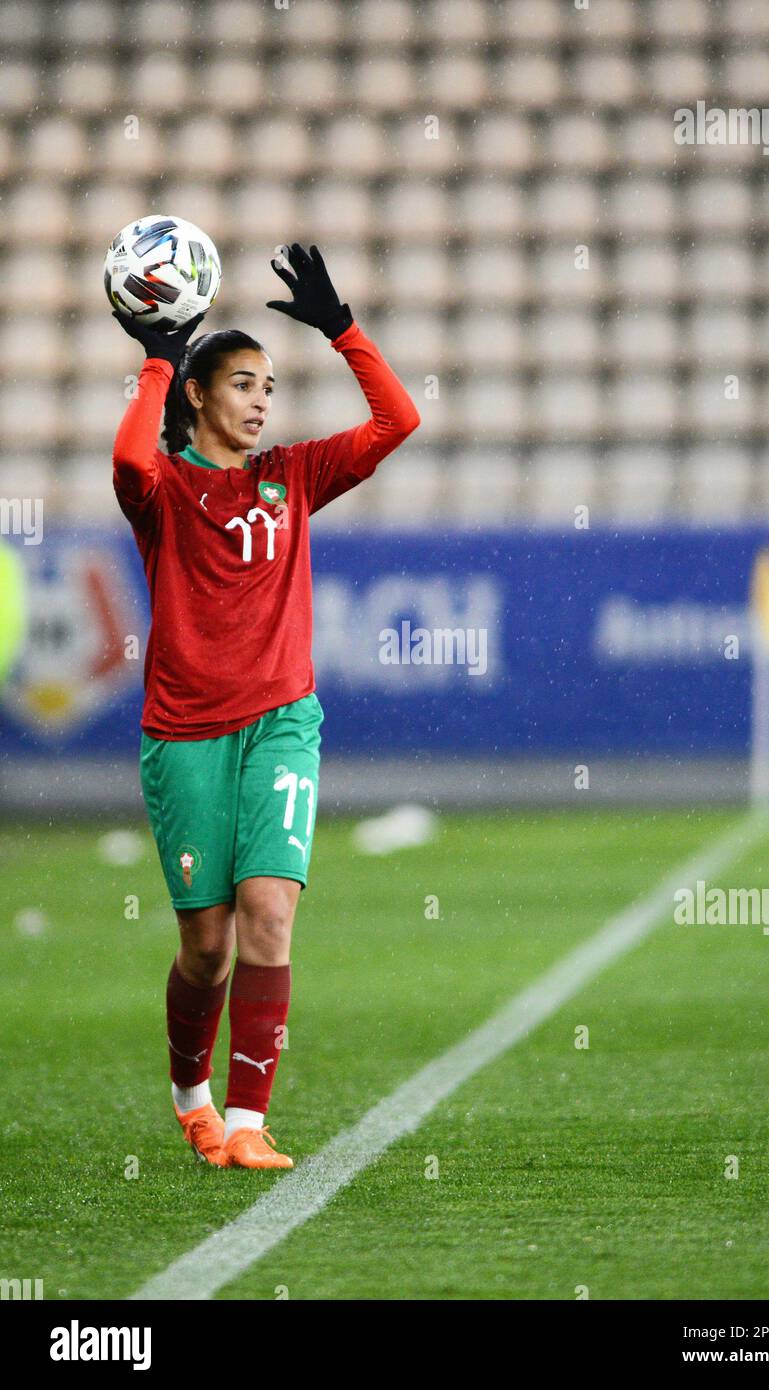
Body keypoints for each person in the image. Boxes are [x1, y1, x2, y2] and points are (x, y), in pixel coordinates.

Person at [111, 243, 420, 1169]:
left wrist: (343, 329)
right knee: (204, 949)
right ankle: (190, 1096)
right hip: (183, 737)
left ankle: (247, 1124)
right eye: (242, 384)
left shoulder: (292, 477)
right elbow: (130, 452)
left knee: (268, 913)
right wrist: (159, 353)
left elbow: (397, 419)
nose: (259, 402)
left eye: (270, 388)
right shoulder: (162, 492)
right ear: (199, 396)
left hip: (283, 722)